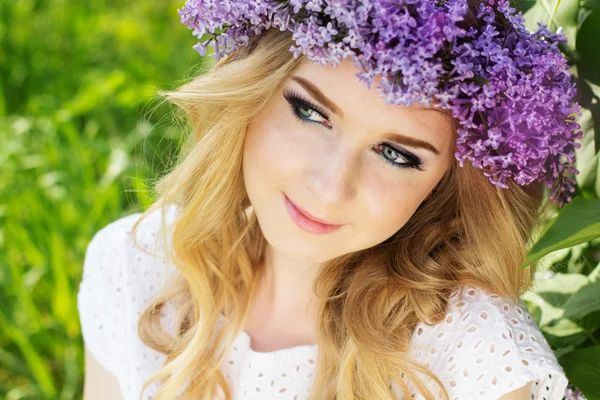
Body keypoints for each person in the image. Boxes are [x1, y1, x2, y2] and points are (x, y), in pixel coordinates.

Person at [78, 0, 581, 399]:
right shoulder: (133, 265)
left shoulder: (473, 351)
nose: (330, 187)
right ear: (253, 88)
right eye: (311, 113)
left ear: (448, 181)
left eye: (395, 154)